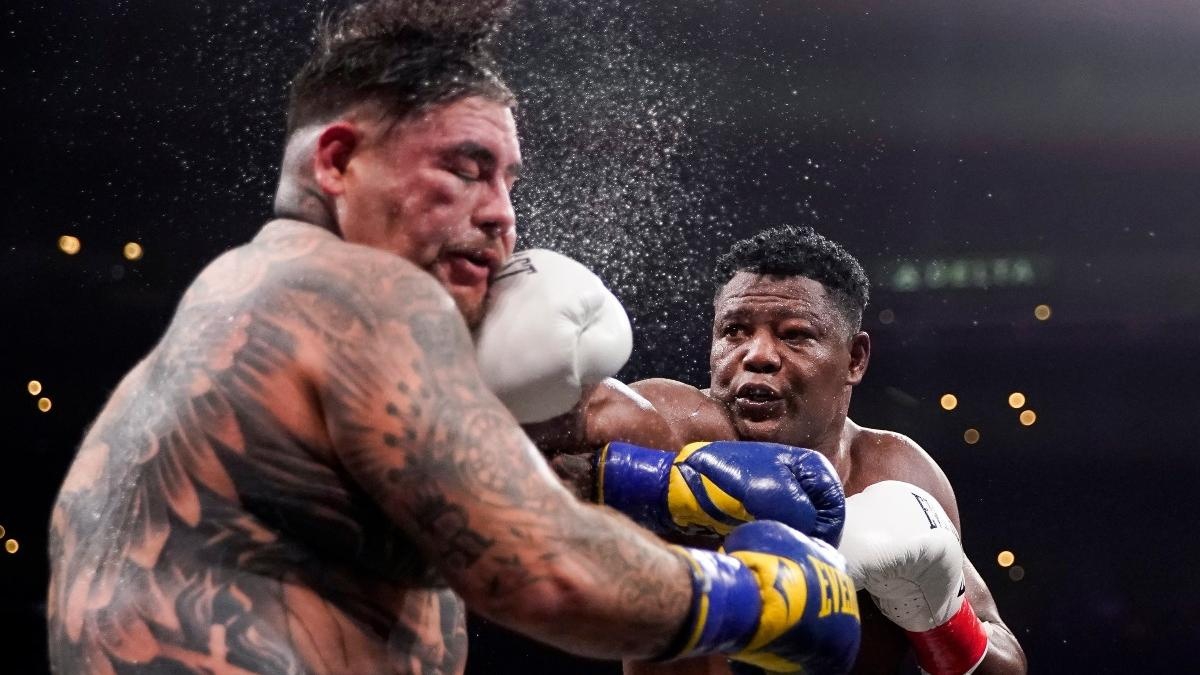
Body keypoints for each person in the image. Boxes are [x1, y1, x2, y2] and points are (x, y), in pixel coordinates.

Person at [46, 4, 861, 674]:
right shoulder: (360, 292)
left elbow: (456, 499)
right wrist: (761, 595)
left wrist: (655, 488)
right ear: (338, 163)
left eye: (509, 178)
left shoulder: (247, 314)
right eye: (466, 169)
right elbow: (547, 571)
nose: (502, 214)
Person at [531, 225, 1027, 674]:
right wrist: (641, 478)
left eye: (795, 336)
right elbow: (532, 443)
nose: (758, 355)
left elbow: (1004, 662)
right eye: (735, 331)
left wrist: (941, 619)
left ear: (854, 359)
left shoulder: (893, 474)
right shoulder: (676, 427)